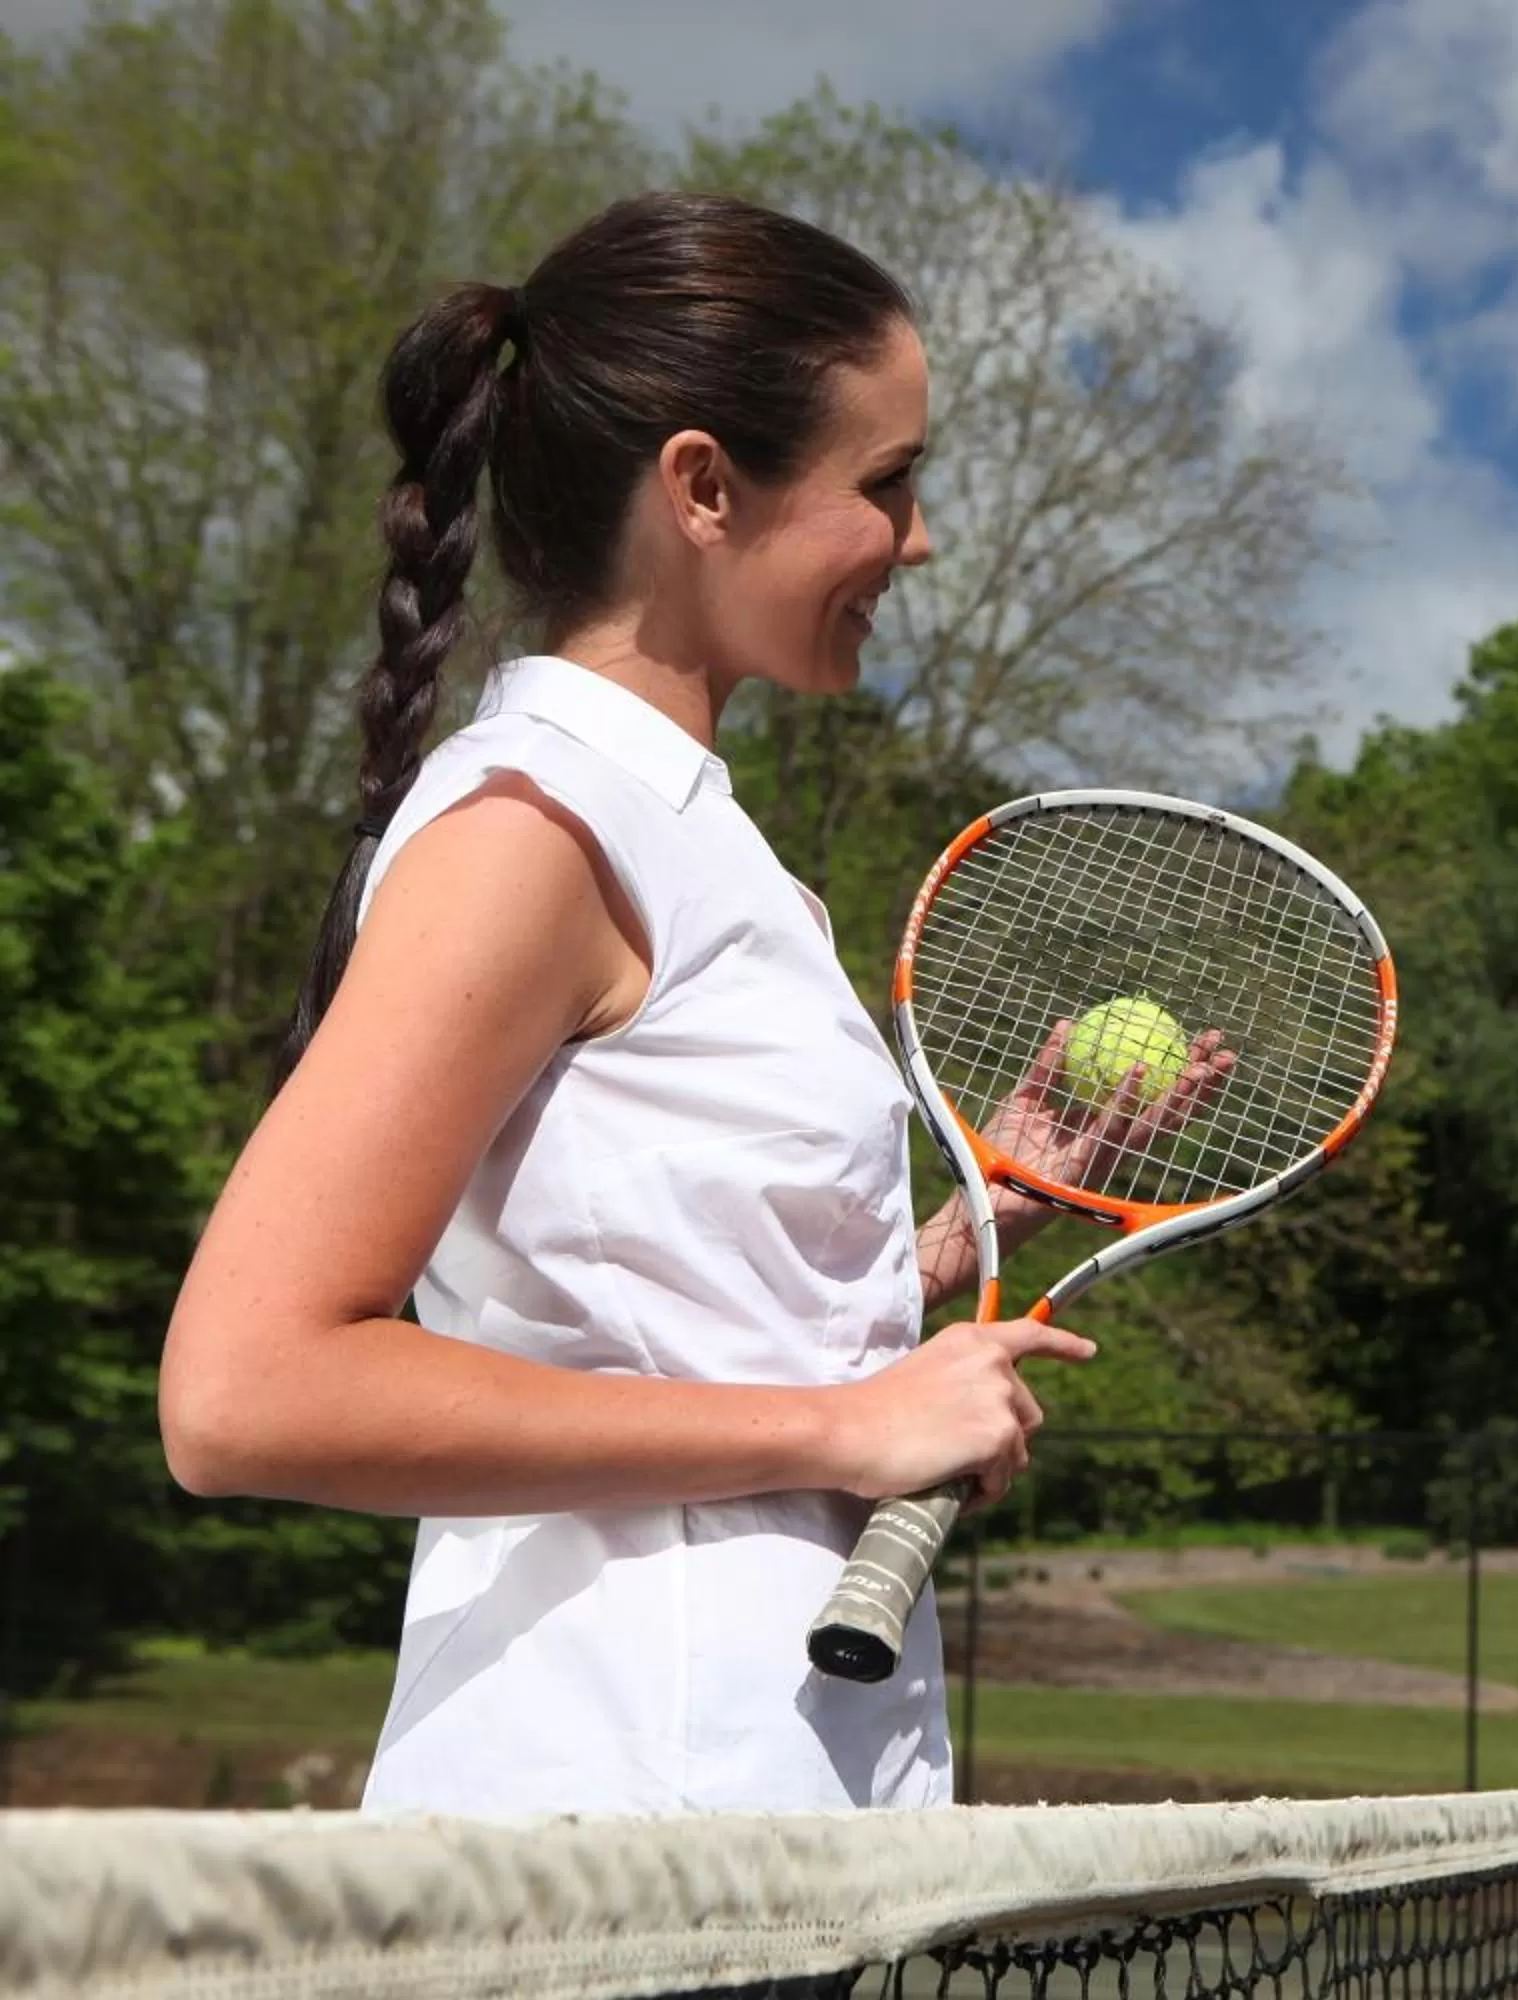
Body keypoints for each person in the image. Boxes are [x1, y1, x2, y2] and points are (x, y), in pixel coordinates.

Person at [156, 193, 1193, 1813]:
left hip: (746, 1834)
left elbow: (651, 1308)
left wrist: (955, 1230)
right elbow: (245, 1393)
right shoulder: (536, 833)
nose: (917, 541)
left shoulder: (694, 845)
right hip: (615, 1841)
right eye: (888, 482)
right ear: (704, 487)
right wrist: (843, 1429)